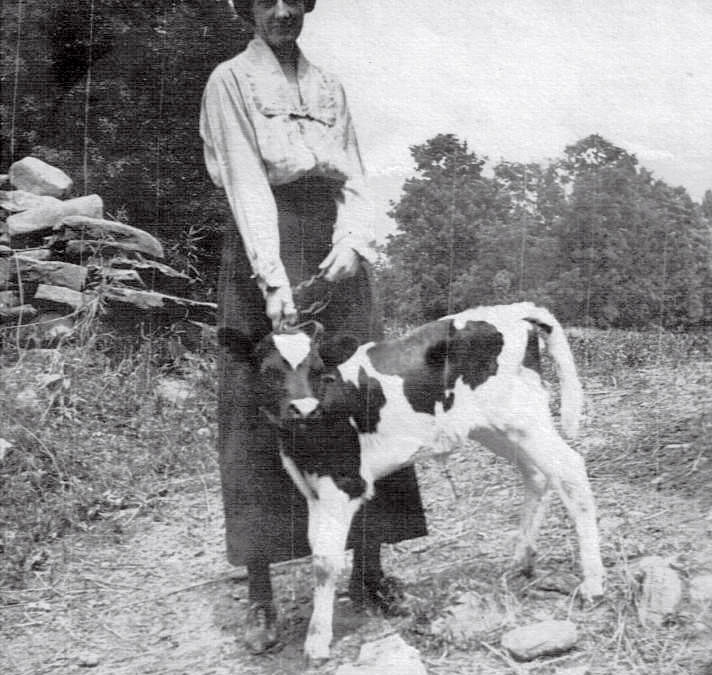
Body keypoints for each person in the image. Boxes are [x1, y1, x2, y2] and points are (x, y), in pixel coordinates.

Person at [199, 0, 427, 655]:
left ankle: (370, 570)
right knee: (256, 409)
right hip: (261, 247)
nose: (281, 11)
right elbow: (246, 183)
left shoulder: (329, 87)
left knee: (362, 401)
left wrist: (353, 242)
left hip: (333, 250)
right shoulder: (230, 82)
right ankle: (262, 595)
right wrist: (272, 279)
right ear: (247, 7)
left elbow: (353, 173)